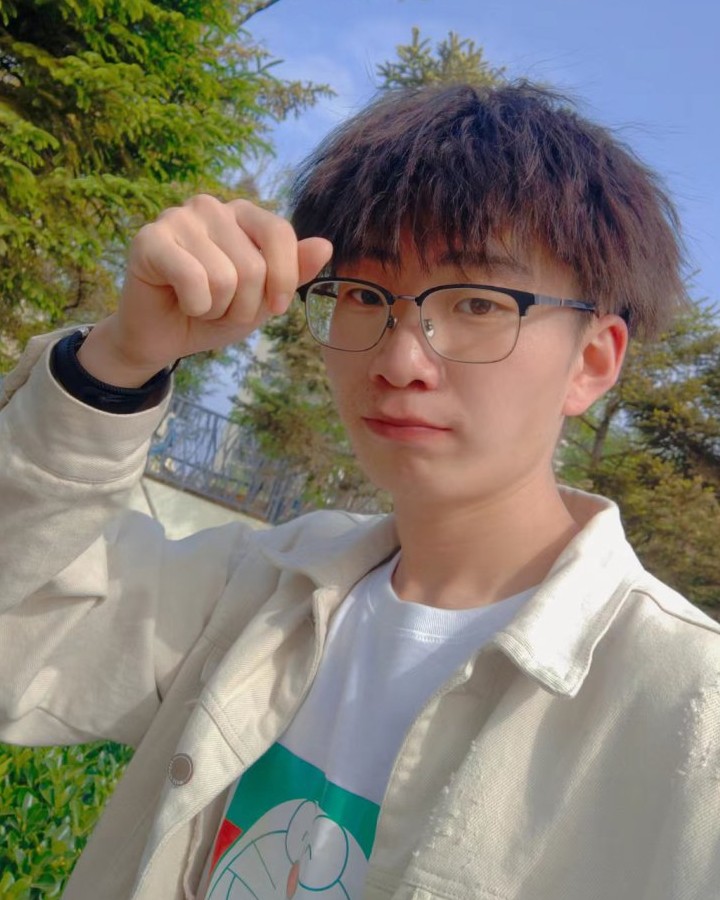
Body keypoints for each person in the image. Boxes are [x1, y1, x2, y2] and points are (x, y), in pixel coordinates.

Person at [0, 82, 718, 900]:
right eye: (366, 297)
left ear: (591, 361)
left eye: (478, 302)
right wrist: (121, 361)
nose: (400, 360)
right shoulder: (260, 586)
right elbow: (24, 642)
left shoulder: (687, 715)